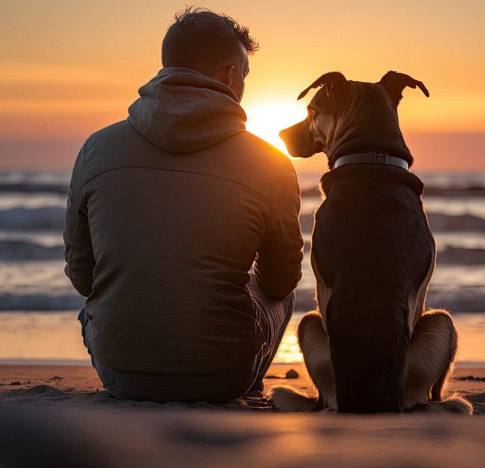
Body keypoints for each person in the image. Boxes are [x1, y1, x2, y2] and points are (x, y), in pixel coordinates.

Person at [63, 7, 304, 403]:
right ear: (230, 75)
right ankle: (251, 383)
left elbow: (82, 277)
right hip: (221, 377)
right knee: (282, 294)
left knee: (99, 299)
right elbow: (281, 280)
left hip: (120, 374)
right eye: (243, 75)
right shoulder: (270, 162)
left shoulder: (96, 148)